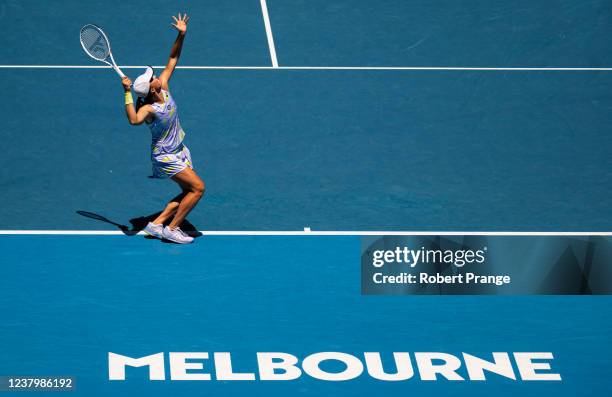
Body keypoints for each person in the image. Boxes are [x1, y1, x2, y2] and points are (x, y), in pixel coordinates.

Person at [121, 13, 204, 244]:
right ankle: (172, 229)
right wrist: (126, 92)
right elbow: (134, 120)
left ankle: (157, 225)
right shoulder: (149, 110)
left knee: (189, 190)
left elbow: (172, 58)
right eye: (153, 77)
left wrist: (181, 34)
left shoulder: (163, 87)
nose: (156, 75)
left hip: (178, 149)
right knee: (198, 188)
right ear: (151, 89)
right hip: (166, 156)